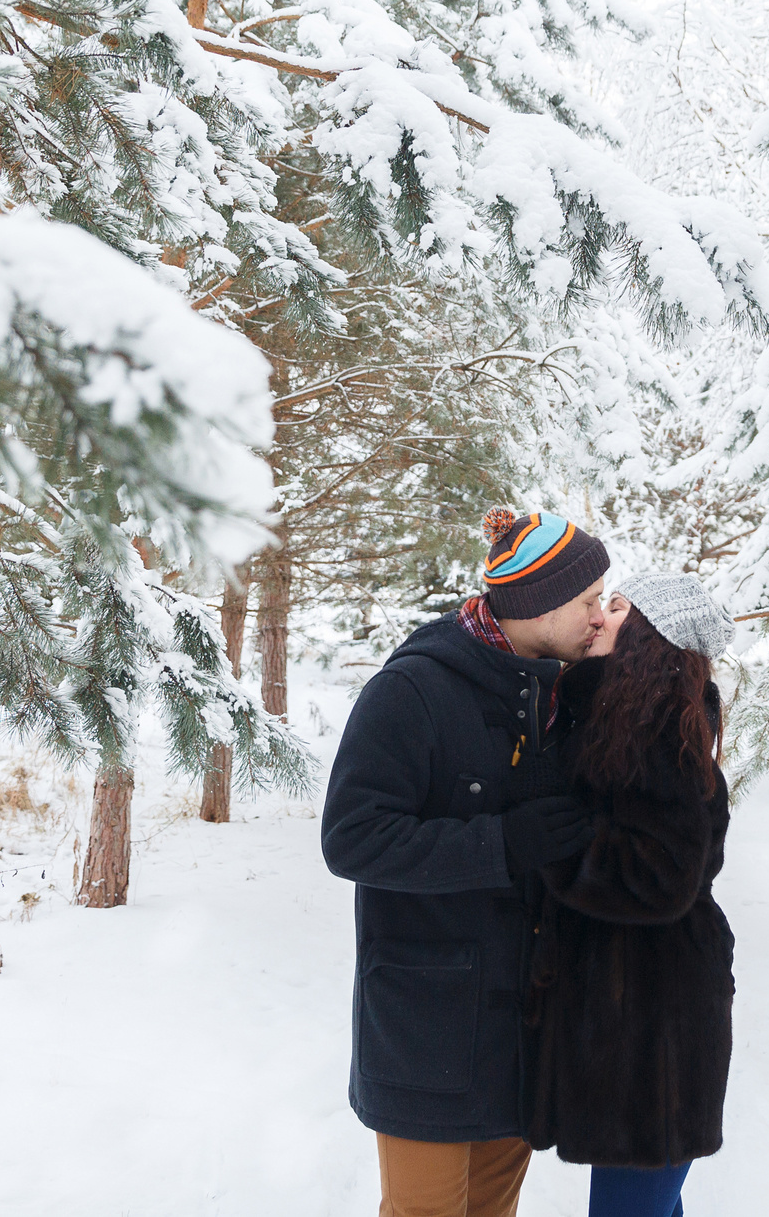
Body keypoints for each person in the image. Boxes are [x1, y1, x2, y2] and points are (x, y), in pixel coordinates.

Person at [321, 509, 612, 1217]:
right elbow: (351, 836)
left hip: (519, 1032)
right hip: (427, 1026)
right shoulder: (413, 690)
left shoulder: (554, 692)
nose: (599, 618)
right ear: (538, 601)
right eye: (587, 602)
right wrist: (503, 844)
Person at [524, 572, 736, 1217]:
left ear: (650, 635)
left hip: (655, 1022)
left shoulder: (656, 733)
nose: (597, 618)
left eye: (614, 609)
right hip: (637, 1009)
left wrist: (550, 844)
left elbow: (660, 876)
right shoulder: (626, 718)